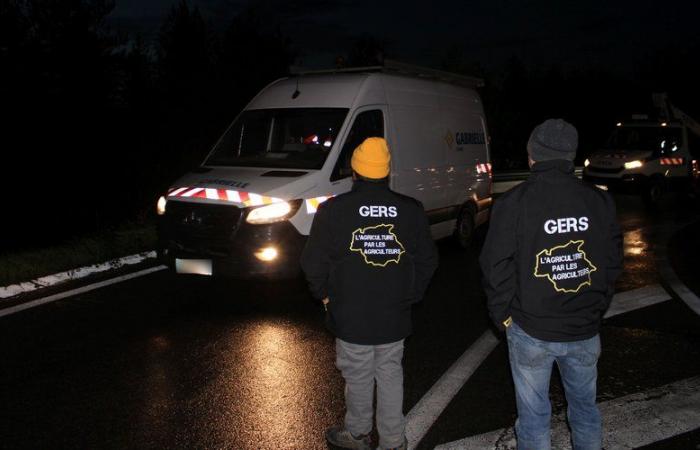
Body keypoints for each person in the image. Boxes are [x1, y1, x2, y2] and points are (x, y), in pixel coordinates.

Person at [480, 119, 623, 450]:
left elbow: (494, 265)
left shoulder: (514, 203)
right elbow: (613, 262)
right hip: (584, 327)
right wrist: (598, 305)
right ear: (571, 156)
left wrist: (503, 316)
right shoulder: (599, 202)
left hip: (532, 330)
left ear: (532, 156)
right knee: (586, 412)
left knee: (533, 418)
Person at [301, 137, 438, 450]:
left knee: (358, 373)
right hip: (394, 313)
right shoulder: (411, 210)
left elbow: (312, 261)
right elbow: (428, 259)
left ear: (355, 172)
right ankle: (393, 441)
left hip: (351, 314)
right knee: (390, 372)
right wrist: (411, 294)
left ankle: (358, 433)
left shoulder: (333, 210)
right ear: (386, 171)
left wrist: (324, 296)